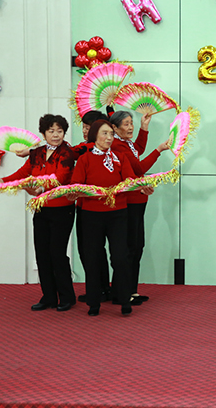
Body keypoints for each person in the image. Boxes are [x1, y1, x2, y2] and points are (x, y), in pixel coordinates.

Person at [68, 120, 153, 317]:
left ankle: (123, 298)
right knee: (93, 258)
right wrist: (74, 193)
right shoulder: (85, 159)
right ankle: (94, 301)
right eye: (104, 133)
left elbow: (130, 181)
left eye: (111, 134)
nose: (109, 138)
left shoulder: (120, 157)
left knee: (120, 257)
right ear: (95, 136)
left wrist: (142, 188)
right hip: (91, 215)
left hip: (118, 214)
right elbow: (76, 184)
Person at [0, 114, 76, 311]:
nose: (56, 135)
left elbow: (61, 177)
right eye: (51, 131)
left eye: (60, 131)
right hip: (41, 208)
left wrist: (40, 188)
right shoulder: (37, 153)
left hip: (62, 209)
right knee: (42, 253)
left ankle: (67, 297)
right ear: (43, 133)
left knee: (57, 253)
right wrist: (2, 181)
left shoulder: (67, 152)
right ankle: (49, 297)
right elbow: (23, 173)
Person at [109, 111, 168, 305]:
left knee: (136, 247)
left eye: (131, 123)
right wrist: (158, 150)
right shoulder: (117, 145)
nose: (130, 127)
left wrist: (144, 127)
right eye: (126, 124)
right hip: (129, 202)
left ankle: (130, 291)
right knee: (129, 248)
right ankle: (122, 291)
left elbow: (138, 149)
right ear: (115, 128)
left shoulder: (125, 143)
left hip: (138, 200)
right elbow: (139, 169)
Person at [73, 110, 111, 304]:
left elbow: (68, 152)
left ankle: (98, 289)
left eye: (89, 128)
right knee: (94, 250)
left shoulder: (87, 150)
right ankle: (102, 288)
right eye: (84, 127)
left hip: (90, 208)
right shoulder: (85, 148)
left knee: (90, 251)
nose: (85, 131)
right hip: (85, 205)